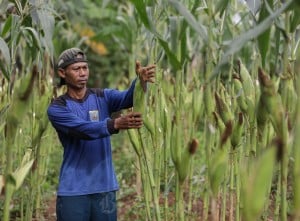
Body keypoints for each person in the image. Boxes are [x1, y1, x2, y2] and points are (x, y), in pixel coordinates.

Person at [47, 47, 155, 221]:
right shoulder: (57, 108)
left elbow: (128, 98)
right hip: (74, 190)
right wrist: (115, 124)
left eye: (85, 68)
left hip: (105, 187)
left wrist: (140, 81)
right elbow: (82, 129)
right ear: (62, 72)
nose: (83, 73)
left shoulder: (102, 96)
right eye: (76, 69)